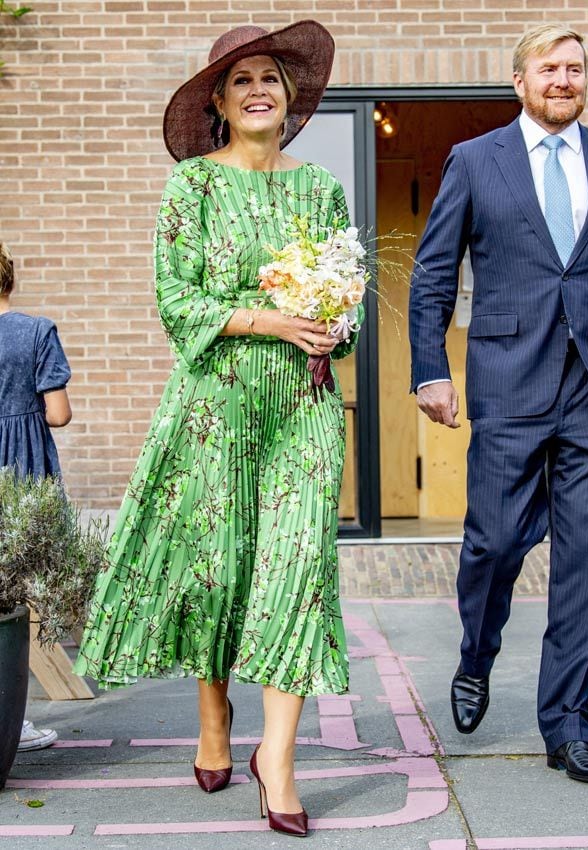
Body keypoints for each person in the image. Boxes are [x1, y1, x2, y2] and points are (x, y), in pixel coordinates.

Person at [74, 21, 361, 834]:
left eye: (270, 76)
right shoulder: (191, 187)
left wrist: (337, 324)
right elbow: (177, 301)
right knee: (219, 567)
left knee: (297, 565)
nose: (259, 89)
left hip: (304, 409)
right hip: (215, 406)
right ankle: (212, 718)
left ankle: (279, 758)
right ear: (219, 102)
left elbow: (348, 299)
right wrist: (271, 320)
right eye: (241, 81)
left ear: (290, 93)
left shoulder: (322, 191)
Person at [409, 23, 588, 784]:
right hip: (507, 382)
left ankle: (568, 724)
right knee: (492, 547)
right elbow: (431, 274)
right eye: (549, 68)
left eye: (576, 68)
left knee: (587, 563)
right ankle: (476, 654)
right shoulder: (474, 160)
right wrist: (432, 370)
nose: (564, 79)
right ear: (519, 81)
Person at [0, 243, 72, 752]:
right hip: (23, 468)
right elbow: (60, 413)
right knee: (16, 595)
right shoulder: (36, 332)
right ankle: (11, 722)